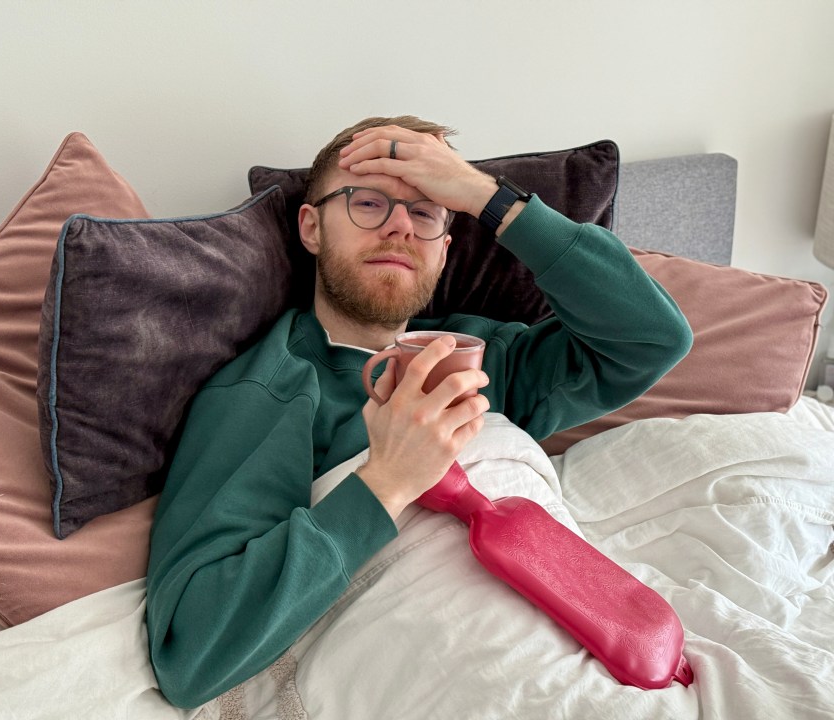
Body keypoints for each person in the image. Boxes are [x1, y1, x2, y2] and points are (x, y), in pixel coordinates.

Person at [145, 115, 693, 708]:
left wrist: (491, 199)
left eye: (427, 210)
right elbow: (191, 652)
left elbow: (652, 339)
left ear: (446, 249)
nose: (401, 226)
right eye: (369, 203)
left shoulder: (485, 357)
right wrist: (386, 482)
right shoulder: (270, 393)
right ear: (311, 227)